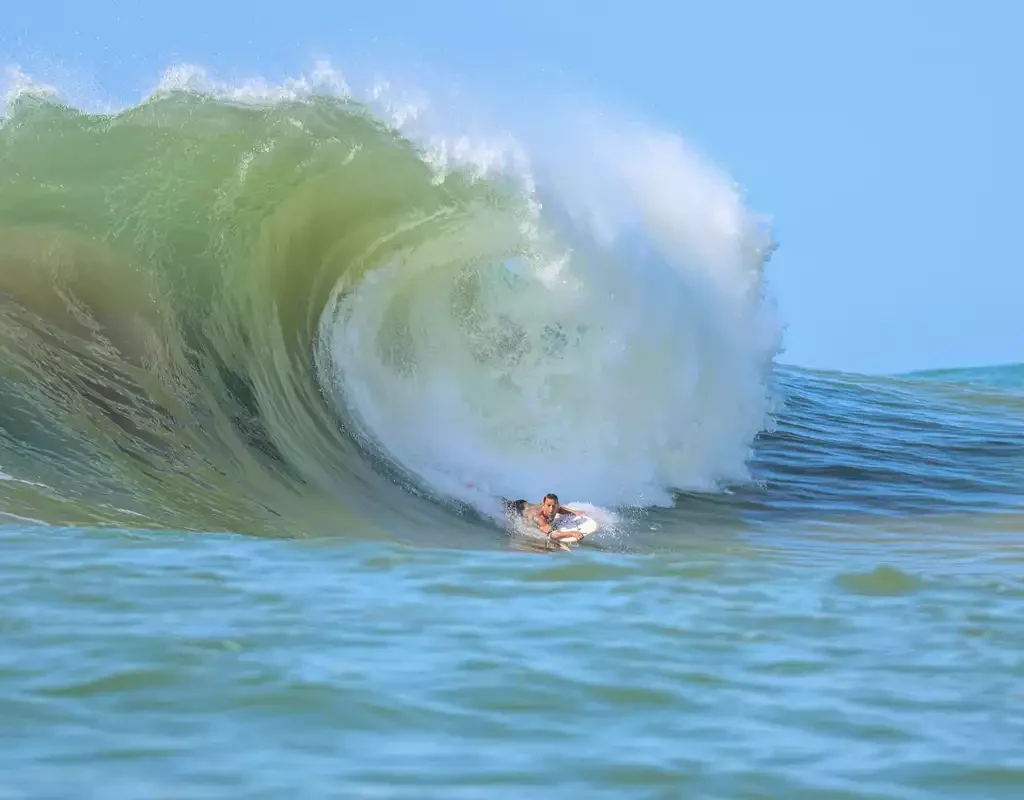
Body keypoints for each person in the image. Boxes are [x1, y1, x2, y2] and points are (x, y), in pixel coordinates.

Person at [502, 493, 584, 542]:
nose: (551, 509)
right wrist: (572, 533)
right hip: (518, 507)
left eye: (553, 506)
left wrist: (574, 512)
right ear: (544, 504)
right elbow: (553, 535)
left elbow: (559, 508)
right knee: (504, 504)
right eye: (548, 505)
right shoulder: (539, 518)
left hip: (527, 504)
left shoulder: (555, 507)